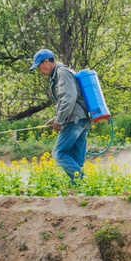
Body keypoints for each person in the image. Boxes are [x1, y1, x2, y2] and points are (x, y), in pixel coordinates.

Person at [30, 49, 91, 182]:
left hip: (74, 120)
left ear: (47, 62)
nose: (40, 71)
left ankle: (84, 182)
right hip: (82, 119)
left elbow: (68, 97)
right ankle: (80, 190)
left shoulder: (61, 72)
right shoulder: (62, 73)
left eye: (39, 66)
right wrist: (55, 118)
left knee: (59, 153)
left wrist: (60, 119)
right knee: (76, 158)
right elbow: (69, 99)